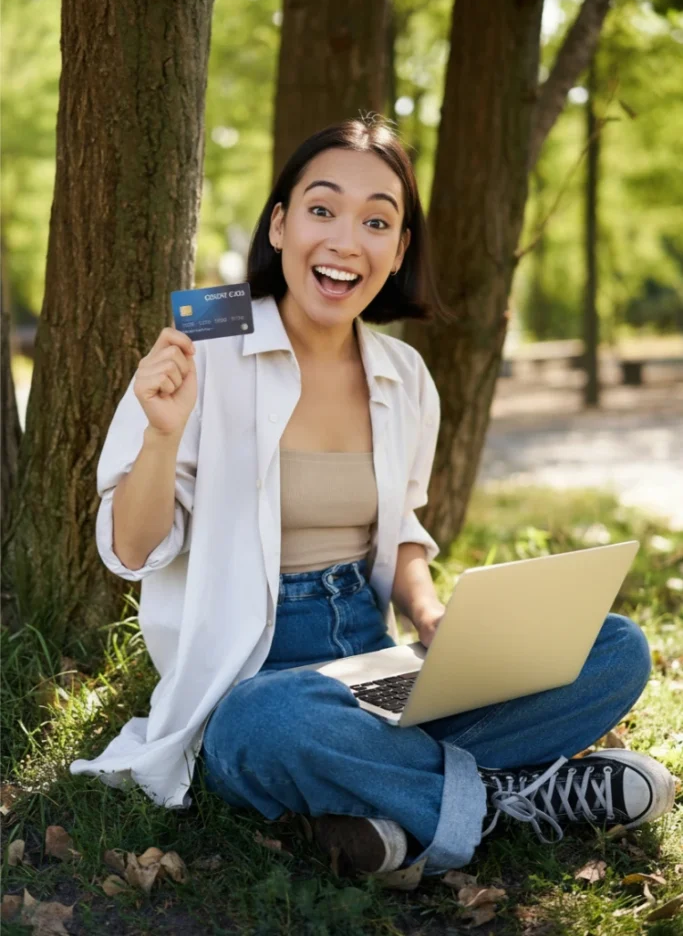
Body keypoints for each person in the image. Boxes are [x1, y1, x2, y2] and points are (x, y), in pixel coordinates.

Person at [70, 117, 675, 879]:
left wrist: (431, 617)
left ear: (397, 254)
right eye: (321, 210)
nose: (345, 239)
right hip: (256, 676)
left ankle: (384, 804)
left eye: (377, 221)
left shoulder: (403, 377)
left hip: (371, 663)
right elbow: (130, 551)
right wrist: (161, 435)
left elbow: (402, 532)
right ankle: (503, 798)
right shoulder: (204, 355)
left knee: (612, 645)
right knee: (264, 727)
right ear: (281, 225)